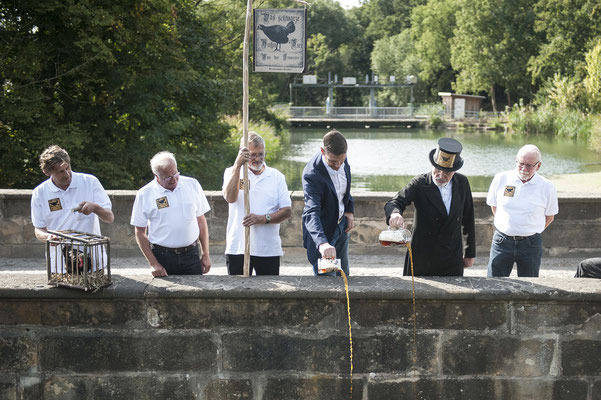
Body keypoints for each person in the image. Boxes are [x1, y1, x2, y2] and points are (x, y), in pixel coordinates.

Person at [384, 138, 476, 276]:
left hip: (451, 255)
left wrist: (470, 253)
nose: (440, 175)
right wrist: (395, 214)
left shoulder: (462, 183)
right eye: (438, 170)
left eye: (446, 172)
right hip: (422, 255)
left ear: (454, 171)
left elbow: (468, 218)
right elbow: (395, 202)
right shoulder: (420, 183)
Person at [30, 145, 114, 271]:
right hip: (60, 265)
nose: (67, 174)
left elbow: (109, 217)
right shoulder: (40, 193)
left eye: (68, 168)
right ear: (47, 172)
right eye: (61, 171)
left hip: (94, 261)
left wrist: (95, 208)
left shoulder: (90, 182)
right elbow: (38, 229)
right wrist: (47, 237)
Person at [131, 151, 211, 277]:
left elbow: (200, 220)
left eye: (175, 173)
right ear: (156, 175)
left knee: (195, 296)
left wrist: (205, 254)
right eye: (167, 177)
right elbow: (140, 232)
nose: (173, 179)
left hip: (191, 255)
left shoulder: (192, 184)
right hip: (163, 257)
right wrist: (154, 264)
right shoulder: (145, 194)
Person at [222, 133, 292, 275]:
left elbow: (286, 211)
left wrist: (262, 219)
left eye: (261, 154)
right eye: (253, 155)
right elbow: (230, 198)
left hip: (267, 249)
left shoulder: (276, 176)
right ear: (243, 153)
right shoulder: (231, 172)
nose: (258, 159)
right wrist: (237, 165)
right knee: (237, 292)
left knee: (269, 293)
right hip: (238, 247)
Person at [486, 144, 558, 277]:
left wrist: (529, 230)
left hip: (530, 244)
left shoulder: (547, 187)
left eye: (529, 165)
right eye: (521, 163)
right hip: (502, 241)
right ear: (516, 160)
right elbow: (494, 205)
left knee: (530, 286)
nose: (524, 168)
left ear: (538, 165)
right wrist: (508, 225)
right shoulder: (501, 178)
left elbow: (550, 217)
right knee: (493, 283)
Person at [302, 129, 355, 276]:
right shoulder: (312, 174)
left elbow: (344, 189)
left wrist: (349, 210)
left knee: (344, 276)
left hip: (341, 227)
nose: (338, 165)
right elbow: (311, 212)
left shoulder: (342, 159)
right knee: (328, 285)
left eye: (341, 161)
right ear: (322, 151)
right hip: (323, 233)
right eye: (332, 162)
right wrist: (322, 243)